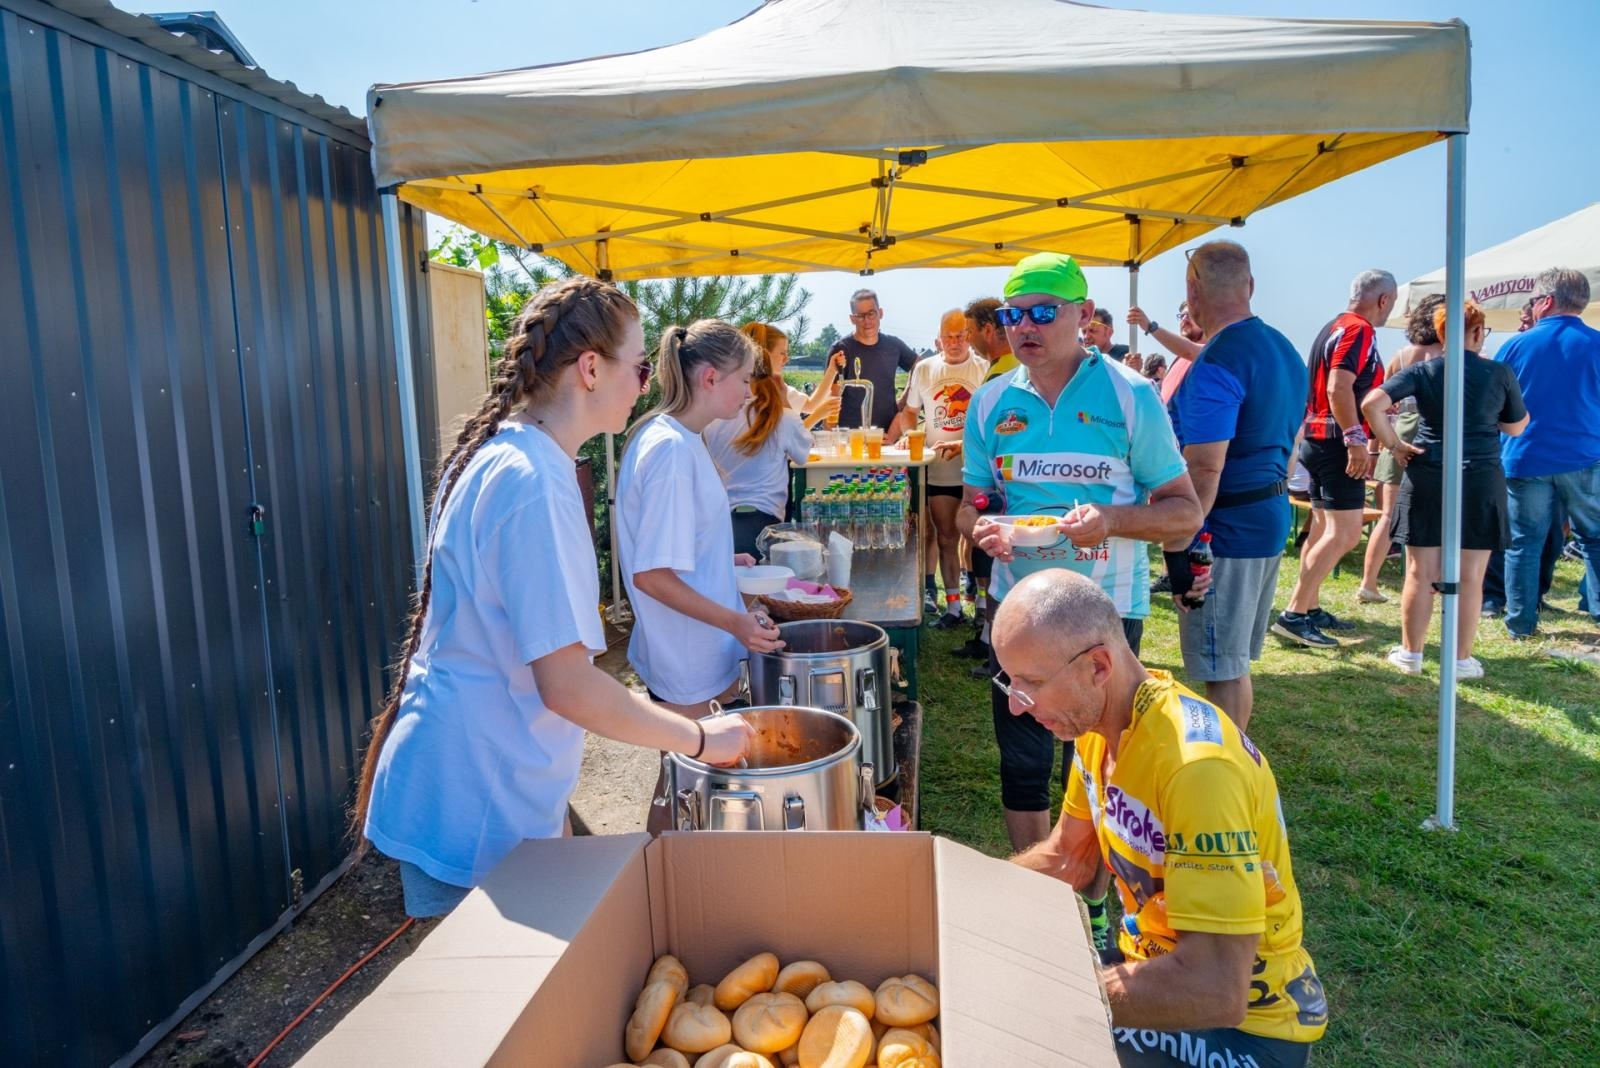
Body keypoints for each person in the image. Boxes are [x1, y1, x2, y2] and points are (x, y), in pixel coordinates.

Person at [356, 279, 753, 918]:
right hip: (481, 798)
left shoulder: (509, 454)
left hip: (485, 779)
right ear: (591, 369)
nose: (645, 386)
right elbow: (567, 686)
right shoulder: (535, 482)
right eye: (639, 368)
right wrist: (699, 737)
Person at [998, 570, 1327, 1067]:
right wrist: (956, 897)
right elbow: (1069, 858)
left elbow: (1217, 988)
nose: (1015, 706)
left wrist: (1057, 993)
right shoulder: (1098, 727)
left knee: (1020, 1033)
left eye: (1032, 684)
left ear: (1098, 666)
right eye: (1010, 681)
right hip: (1155, 964)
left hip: (1242, 1028)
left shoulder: (1197, 770)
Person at [959, 250, 1202, 865]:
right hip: (1018, 608)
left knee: (1098, 759)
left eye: (1044, 312)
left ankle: (1095, 891)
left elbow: (1185, 512)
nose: (1025, 326)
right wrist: (981, 527)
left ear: (1084, 314)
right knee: (1022, 761)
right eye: (1014, 314)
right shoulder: (990, 401)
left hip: (1103, 611)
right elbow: (971, 505)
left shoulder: (1131, 394)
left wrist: (1111, 519)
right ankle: (1038, 892)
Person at [617, 320, 785, 830]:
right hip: (688, 661)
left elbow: (672, 549)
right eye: (744, 379)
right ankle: (657, 871)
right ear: (711, 377)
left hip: (691, 652)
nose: (749, 392)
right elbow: (651, 575)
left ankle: (666, 870)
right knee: (685, 793)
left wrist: (721, 559)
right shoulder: (670, 450)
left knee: (689, 790)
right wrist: (736, 623)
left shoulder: (679, 438)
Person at [1162, 241, 1307, 731]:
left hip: (1225, 527)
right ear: (1250, 286)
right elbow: (1290, 443)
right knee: (1233, 661)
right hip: (1268, 514)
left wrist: (1179, 550)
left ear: (1193, 290)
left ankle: (1228, 767)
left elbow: (1204, 468)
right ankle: (1237, 759)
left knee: (1221, 668)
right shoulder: (1284, 349)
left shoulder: (1218, 360)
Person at [1362, 300, 1527, 678]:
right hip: (1480, 477)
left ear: (1440, 333)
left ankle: (1411, 655)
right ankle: (1461, 659)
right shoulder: (1498, 372)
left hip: (1428, 473)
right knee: (1471, 576)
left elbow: (1372, 404)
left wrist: (1394, 444)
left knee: (1420, 572)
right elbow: (1516, 427)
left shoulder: (1423, 370)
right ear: (1478, 331)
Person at [1273, 269, 1397, 647]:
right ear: (1383, 300)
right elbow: (1338, 386)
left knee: (1324, 529)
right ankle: (1294, 613)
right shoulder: (1359, 329)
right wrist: (1356, 438)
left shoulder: (1334, 326)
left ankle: (1308, 607)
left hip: (1318, 439)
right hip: (1336, 444)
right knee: (1345, 533)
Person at [1494, 267, 1600, 637]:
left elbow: (1496, 404)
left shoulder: (1514, 346)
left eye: (1534, 300)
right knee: (1594, 538)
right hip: (1584, 455)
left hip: (1525, 456)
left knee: (1524, 543)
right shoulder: (1596, 342)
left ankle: (1520, 624)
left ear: (1547, 301)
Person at [897, 308, 988, 628]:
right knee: (946, 537)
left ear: (970, 337)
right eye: (949, 336)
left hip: (977, 469)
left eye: (961, 336)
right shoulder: (924, 369)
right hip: (938, 469)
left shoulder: (984, 367)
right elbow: (910, 412)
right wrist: (910, 435)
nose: (955, 342)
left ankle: (982, 605)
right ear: (938, 338)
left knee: (979, 538)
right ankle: (953, 607)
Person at [1358, 295, 1445, 604]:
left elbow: (1381, 404)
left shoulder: (1402, 355)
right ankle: (1424, 581)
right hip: (1434, 434)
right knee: (1435, 514)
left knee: (1388, 516)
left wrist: (1372, 449)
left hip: (1398, 433)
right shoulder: (1450, 356)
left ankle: (1368, 583)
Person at [703, 324, 817, 556]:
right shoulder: (782, 417)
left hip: (720, 523)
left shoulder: (714, 417)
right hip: (766, 523)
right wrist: (785, 402)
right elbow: (804, 454)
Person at [955, 296, 1018, 665]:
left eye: (970, 331)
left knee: (990, 559)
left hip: (996, 492)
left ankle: (994, 641)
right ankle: (986, 632)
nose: (968, 339)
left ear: (989, 330)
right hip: (996, 486)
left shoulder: (1002, 376)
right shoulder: (1001, 369)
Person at [827, 288, 919, 431]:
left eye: (871, 313)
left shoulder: (894, 345)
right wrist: (830, 437)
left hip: (888, 435)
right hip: (851, 437)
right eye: (860, 316)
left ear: (880, 313)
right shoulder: (841, 349)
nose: (867, 321)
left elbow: (919, 366)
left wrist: (904, 400)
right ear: (852, 319)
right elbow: (831, 398)